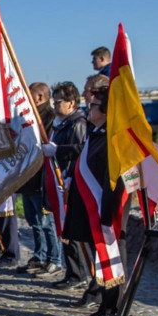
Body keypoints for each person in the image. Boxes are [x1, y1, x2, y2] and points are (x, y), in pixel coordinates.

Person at [68, 82, 130, 316]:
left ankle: (114, 310)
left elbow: (115, 180)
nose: (88, 108)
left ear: (105, 110)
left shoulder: (114, 138)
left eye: (93, 105)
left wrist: (108, 215)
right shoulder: (97, 133)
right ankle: (104, 306)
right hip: (96, 211)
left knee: (112, 261)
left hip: (108, 213)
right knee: (101, 262)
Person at [63, 74, 108, 309]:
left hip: (100, 198)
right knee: (92, 247)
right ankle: (96, 290)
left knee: (102, 251)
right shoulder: (93, 121)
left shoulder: (92, 121)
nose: (84, 95)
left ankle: (100, 294)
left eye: (89, 90)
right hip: (85, 192)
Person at [48, 81, 91, 292]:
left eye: (59, 101)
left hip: (69, 179)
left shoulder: (78, 123)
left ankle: (78, 273)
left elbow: (79, 150)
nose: (55, 105)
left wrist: (57, 151)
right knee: (64, 230)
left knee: (70, 232)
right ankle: (72, 272)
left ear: (71, 102)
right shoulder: (61, 123)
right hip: (61, 179)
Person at [16, 82, 61, 277]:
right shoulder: (30, 116)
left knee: (46, 223)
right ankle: (40, 256)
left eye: (30, 94)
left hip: (41, 179)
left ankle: (54, 259)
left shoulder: (49, 118)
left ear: (40, 97)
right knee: (33, 222)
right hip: (28, 178)